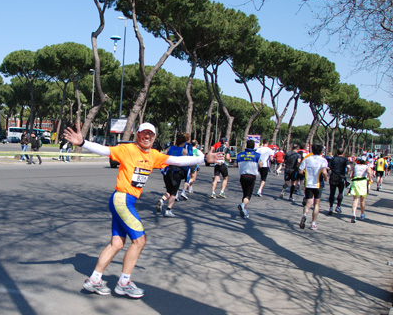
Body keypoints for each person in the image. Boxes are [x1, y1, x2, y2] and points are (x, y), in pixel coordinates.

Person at [63, 122, 221, 298]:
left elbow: (177, 160)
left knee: (117, 243)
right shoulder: (128, 149)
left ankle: (94, 280)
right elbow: (105, 150)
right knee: (139, 241)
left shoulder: (153, 155)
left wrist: (204, 159)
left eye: (150, 135)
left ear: (154, 138)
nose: (147, 137)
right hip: (122, 199)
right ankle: (124, 283)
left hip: (122, 201)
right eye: (144, 134)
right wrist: (82, 142)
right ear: (137, 135)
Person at [298, 144, 329, 231]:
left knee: (308, 203)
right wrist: (326, 177)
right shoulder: (323, 160)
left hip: (308, 184)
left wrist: (306, 174)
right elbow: (324, 171)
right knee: (316, 204)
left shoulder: (307, 159)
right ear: (321, 151)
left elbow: (300, 171)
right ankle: (313, 223)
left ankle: (304, 215)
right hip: (318, 184)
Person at [157, 134, 188, 217]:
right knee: (174, 192)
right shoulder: (183, 150)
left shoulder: (169, 148)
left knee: (169, 191)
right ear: (183, 143)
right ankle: (168, 210)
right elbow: (185, 161)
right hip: (176, 172)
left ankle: (162, 199)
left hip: (167, 172)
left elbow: (163, 155)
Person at [236, 139, 262, 219]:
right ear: (254, 146)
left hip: (243, 176)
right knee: (248, 195)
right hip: (251, 176)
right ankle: (243, 206)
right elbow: (260, 165)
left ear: (246, 145)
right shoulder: (257, 155)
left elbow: (234, 164)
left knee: (244, 193)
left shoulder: (240, 155)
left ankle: (244, 211)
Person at [349, 156, 374, 222]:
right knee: (362, 200)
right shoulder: (366, 167)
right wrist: (370, 178)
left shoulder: (355, 166)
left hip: (355, 182)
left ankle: (354, 214)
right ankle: (362, 214)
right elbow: (369, 172)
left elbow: (351, 176)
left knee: (355, 199)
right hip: (363, 183)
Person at [327, 148, 351, 215]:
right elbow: (349, 167)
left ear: (336, 153)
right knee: (340, 192)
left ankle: (331, 207)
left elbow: (328, 167)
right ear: (343, 153)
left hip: (333, 176)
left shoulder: (333, 159)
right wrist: (347, 172)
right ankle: (338, 206)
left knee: (332, 192)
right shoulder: (345, 159)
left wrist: (329, 171)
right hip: (341, 177)